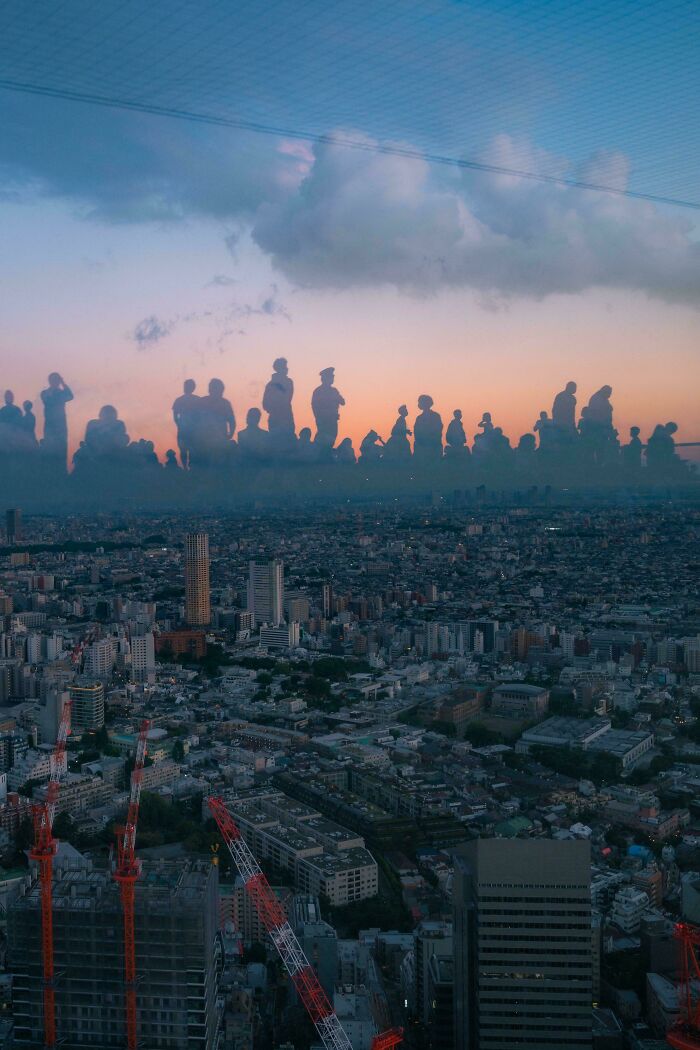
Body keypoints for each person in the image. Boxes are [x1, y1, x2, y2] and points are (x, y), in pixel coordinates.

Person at [193, 378, 235, 466]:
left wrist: (229, 435)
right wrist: (229, 435)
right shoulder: (223, 403)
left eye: (217, 389)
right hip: (205, 442)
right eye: (214, 388)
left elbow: (232, 421)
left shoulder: (224, 403)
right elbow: (232, 421)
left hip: (216, 442)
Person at [40, 373, 73, 468]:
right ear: (50, 381)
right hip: (50, 425)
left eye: (58, 380)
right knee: (50, 449)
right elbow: (49, 401)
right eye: (55, 380)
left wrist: (63, 383)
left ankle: (61, 471)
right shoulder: (45, 393)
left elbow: (71, 396)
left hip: (61, 425)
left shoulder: (60, 392)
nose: (56, 382)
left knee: (62, 450)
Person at [262, 358, 295, 448]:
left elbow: (287, 398)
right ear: (279, 368)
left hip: (284, 418)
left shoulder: (287, 382)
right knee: (277, 444)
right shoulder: (271, 384)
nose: (287, 369)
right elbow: (265, 404)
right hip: (279, 419)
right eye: (284, 367)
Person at [312, 367, 345, 450]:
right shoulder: (318, 391)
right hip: (323, 419)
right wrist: (318, 418)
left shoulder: (334, 391)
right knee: (323, 439)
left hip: (333, 419)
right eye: (331, 377)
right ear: (324, 378)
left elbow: (342, 402)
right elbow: (315, 406)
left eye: (332, 377)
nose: (332, 379)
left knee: (332, 438)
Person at [172, 379, 200, 468]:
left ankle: (187, 467)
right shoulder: (197, 400)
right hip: (187, 429)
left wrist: (179, 424)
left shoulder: (180, 400)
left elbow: (175, 415)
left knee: (187, 450)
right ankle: (187, 467)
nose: (185, 388)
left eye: (187, 386)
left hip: (187, 429)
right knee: (186, 450)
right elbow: (175, 415)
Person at [413, 395, 443, 462]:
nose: (420, 404)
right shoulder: (419, 418)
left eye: (421, 402)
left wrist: (429, 440)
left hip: (434, 446)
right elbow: (416, 433)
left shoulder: (436, 416)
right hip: (421, 445)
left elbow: (438, 431)